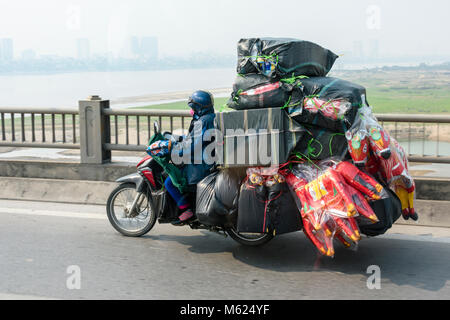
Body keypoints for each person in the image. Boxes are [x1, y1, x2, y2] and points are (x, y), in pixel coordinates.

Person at [147, 90, 216, 225]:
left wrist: (171, 148)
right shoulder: (209, 117)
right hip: (205, 160)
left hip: (199, 167)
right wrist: (178, 140)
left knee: (169, 181)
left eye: (192, 107)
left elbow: (191, 148)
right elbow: (196, 140)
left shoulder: (202, 122)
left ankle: (186, 210)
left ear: (198, 107)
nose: (191, 110)